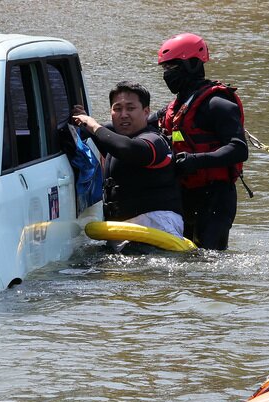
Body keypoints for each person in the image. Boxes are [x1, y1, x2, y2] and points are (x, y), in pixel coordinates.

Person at [154, 33, 248, 250]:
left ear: (194, 64)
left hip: (216, 196)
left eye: (173, 67)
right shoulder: (175, 107)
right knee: (182, 255)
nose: (168, 75)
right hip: (185, 195)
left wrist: (195, 160)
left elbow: (239, 149)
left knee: (209, 258)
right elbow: (139, 123)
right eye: (165, 70)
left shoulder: (218, 104)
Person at [72, 82, 183, 237]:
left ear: (146, 112)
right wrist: (83, 123)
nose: (123, 114)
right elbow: (109, 140)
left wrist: (93, 126)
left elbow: (127, 149)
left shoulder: (154, 140)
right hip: (124, 230)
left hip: (157, 227)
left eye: (130, 108)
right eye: (117, 109)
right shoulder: (114, 141)